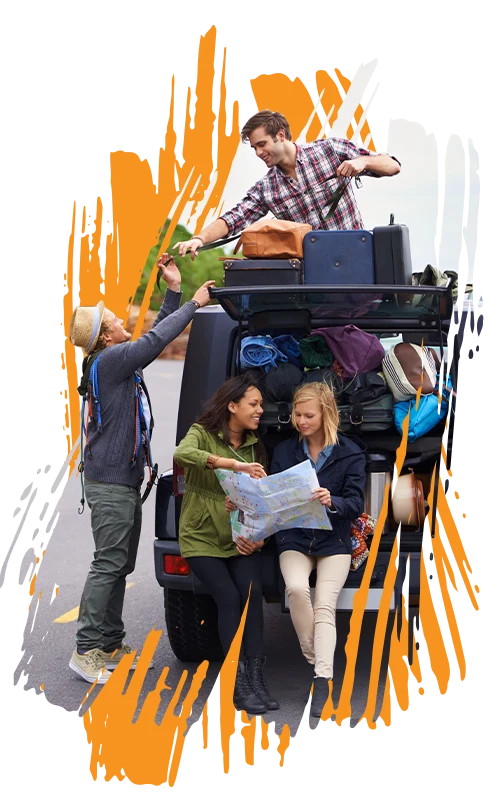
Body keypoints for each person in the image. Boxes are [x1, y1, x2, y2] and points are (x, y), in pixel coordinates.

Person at [68, 254, 215, 684]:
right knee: (108, 564)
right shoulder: (110, 362)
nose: (121, 320)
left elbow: (151, 337)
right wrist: (194, 304)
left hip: (121, 481)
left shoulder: (112, 361)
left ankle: (109, 643)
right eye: (114, 320)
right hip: (110, 484)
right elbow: (154, 342)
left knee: (120, 563)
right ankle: (86, 650)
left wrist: (173, 290)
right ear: (106, 338)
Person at [173, 373, 280, 715]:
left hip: (239, 536)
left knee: (252, 594)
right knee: (229, 596)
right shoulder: (202, 433)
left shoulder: (255, 445)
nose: (260, 410)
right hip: (202, 534)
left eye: (261, 404)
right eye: (254, 404)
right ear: (232, 406)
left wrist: (259, 539)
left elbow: (261, 501)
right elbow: (183, 453)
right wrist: (231, 464)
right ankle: (234, 679)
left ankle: (254, 677)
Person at [173, 109, 401, 260]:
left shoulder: (330, 150)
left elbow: (393, 165)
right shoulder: (266, 188)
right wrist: (198, 239)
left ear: (281, 135)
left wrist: (362, 161)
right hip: (311, 272)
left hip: (357, 258)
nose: (258, 153)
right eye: (254, 148)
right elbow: (234, 218)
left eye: (262, 144)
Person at [269, 381, 366, 717]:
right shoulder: (284, 452)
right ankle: (317, 660)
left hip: (333, 541)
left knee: (326, 604)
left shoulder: (350, 452)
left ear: (326, 414)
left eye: (308, 415)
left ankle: (322, 679)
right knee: (296, 589)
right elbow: (273, 497)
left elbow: (355, 502)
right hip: (294, 538)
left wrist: (332, 500)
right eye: (297, 414)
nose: (301, 421)